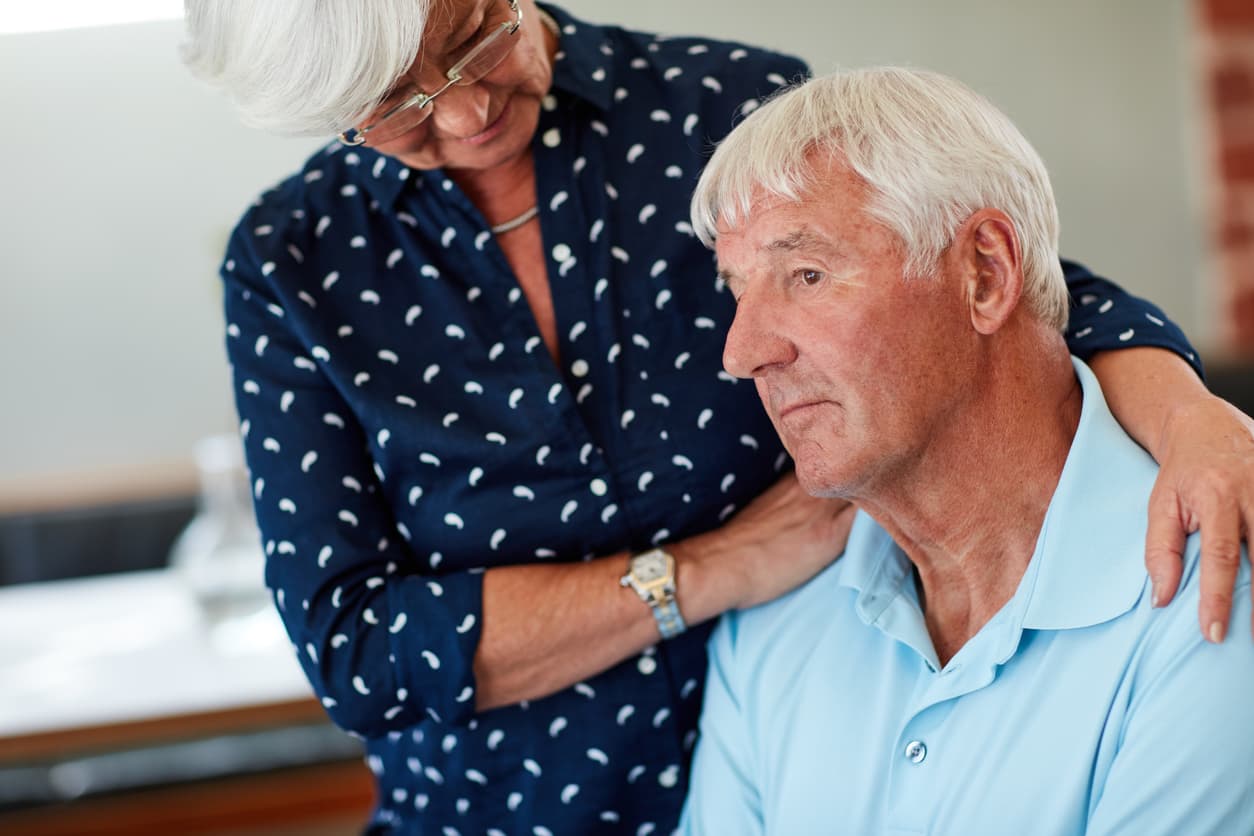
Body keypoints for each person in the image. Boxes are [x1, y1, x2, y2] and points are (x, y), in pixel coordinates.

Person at [180, 1, 1254, 832]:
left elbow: (986, 276)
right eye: (398, 103)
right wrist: (714, 569)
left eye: (472, 36)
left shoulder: (706, 107)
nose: (464, 112)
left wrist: (1195, 412)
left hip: (828, 748)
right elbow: (358, 647)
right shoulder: (294, 259)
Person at [680, 67, 1254, 835]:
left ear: (985, 273)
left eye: (806, 274)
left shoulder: (1213, 600)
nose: (742, 350)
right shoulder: (770, 631)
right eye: (738, 291)